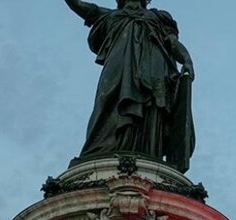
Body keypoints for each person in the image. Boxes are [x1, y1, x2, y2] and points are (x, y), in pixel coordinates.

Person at [59, 0, 196, 172]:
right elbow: (83, 8)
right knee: (107, 99)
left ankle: (148, 154)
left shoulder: (158, 17)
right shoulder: (110, 15)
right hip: (119, 64)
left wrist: (186, 59)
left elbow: (172, 42)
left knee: (152, 108)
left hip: (154, 67)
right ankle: (101, 150)